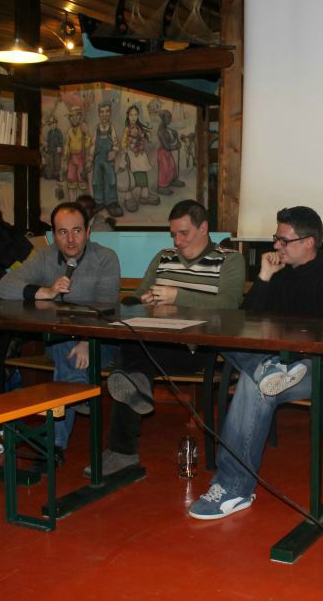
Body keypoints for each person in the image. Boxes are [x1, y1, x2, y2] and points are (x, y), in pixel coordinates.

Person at [189, 206, 323, 519]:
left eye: (283, 240)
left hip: (318, 366)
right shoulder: (278, 274)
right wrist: (264, 277)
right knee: (226, 344)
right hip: (273, 360)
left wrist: (282, 342)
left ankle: (233, 487)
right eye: (275, 238)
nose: (276, 246)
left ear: (309, 242)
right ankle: (266, 371)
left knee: (256, 387)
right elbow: (243, 326)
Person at [97, 199, 243, 476]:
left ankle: (121, 452)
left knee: (130, 363)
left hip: (197, 348)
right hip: (155, 340)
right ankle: (136, 388)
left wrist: (177, 297)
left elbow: (229, 305)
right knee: (132, 352)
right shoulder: (164, 256)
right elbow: (136, 296)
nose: (177, 241)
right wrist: (142, 300)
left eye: (183, 233)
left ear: (203, 228)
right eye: (173, 234)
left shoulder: (230, 259)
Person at [0, 201, 121, 460]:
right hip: (60, 340)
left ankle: (53, 445)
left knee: (69, 355)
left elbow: (107, 308)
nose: (71, 239)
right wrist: (44, 292)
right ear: (54, 234)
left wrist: (87, 340)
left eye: (77, 231)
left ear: (88, 231)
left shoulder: (105, 258)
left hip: (101, 341)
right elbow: (4, 286)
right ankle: (78, 394)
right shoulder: (44, 257)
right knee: (65, 345)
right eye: (63, 232)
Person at [91, 101, 124, 218]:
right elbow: (93, 144)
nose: (104, 114)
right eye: (102, 112)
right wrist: (90, 157)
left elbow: (116, 143)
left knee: (110, 180)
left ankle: (111, 202)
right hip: (98, 158)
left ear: (110, 113)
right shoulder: (96, 128)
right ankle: (98, 202)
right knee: (96, 180)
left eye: (107, 112)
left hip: (108, 159)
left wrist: (114, 151)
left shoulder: (111, 128)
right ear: (99, 113)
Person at [121, 104, 158, 207]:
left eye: (135, 115)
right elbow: (123, 143)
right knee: (130, 176)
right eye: (131, 115)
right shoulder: (127, 129)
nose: (133, 117)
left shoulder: (138, 128)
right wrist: (124, 153)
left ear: (138, 115)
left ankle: (144, 195)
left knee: (142, 173)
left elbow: (143, 139)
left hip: (140, 156)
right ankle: (128, 198)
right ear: (128, 116)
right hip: (131, 156)